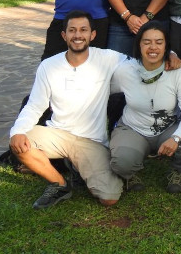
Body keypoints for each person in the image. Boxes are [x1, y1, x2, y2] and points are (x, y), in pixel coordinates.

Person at [8, 11, 126, 209]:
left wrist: (169, 56)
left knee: (109, 198)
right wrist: (17, 131)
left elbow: (141, 65)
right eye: (72, 30)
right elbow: (35, 104)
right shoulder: (49, 66)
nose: (77, 35)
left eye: (83, 30)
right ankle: (59, 184)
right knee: (19, 142)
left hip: (91, 141)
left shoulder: (108, 58)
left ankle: (77, 167)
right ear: (64, 36)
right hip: (57, 134)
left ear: (92, 35)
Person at [109, 21, 181, 194]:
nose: (153, 47)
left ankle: (178, 172)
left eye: (159, 42)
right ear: (138, 44)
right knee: (122, 162)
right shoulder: (125, 71)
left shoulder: (180, 72)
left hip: (168, 128)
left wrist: (176, 138)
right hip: (133, 128)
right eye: (147, 42)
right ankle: (130, 174)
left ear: (167, 46)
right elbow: (103, 92)